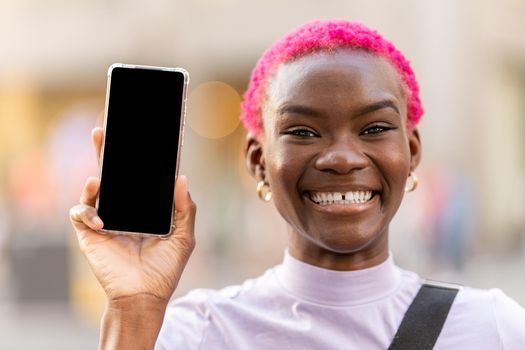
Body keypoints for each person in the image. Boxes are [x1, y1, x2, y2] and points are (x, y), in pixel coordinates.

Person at [70, 19, 525, 349]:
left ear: (412, 153)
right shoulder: (195, 331)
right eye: (303, 132)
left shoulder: (493, 327)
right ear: (259, 163)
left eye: (374, 129)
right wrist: (133, 306)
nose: (343, 158)